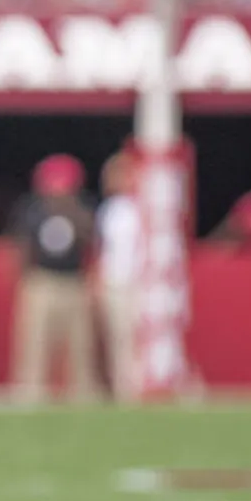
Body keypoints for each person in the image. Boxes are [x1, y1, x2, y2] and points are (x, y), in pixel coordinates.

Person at [9, 153, 97, 402]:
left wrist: (71, 211)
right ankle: (30, 395)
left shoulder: (82, 209)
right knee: (35, 346)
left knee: (81, 348)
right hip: (42, 281)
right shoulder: (32, 210)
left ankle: (83, 396)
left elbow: (90, 239)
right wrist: (25, 279)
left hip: (73, 282)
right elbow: (22, 246)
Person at [95, 152, 142, 402]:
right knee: (118, 337)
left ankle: (141, 386)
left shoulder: (142, 207)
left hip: (139, 283)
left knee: (138, 337)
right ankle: (124, 390)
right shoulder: (109, 210)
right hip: (115, 282)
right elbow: (104, 249)